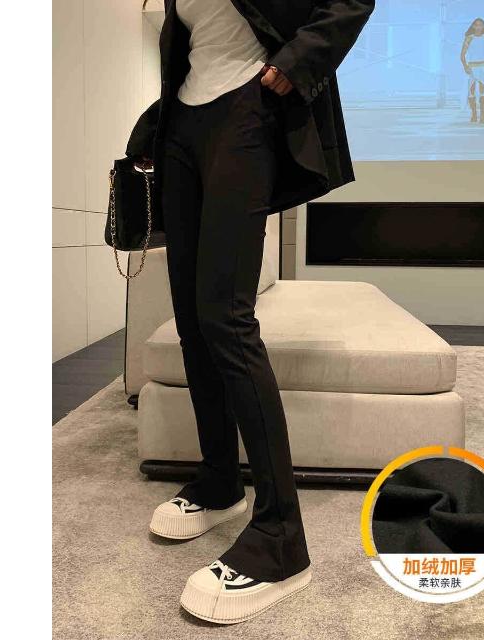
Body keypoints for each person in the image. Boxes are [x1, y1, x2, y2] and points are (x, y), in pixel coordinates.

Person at [127, 0, 374, 625]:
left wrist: (298, 60)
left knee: (225, 319)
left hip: (248, 102)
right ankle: (219, 480)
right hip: (183, 122)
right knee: (191, 318)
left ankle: (282, 536)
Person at [460, 18, 484, 124]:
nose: (478, 27)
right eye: (476, 25)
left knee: (483, 90)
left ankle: (483, 113)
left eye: (480, 25)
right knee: (471, 91)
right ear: (473, 26)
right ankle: (474, 113)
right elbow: (462, 55)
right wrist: (465, 66)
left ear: (483, 26)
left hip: (482, 68)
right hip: (471, 68)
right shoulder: (469, 38)